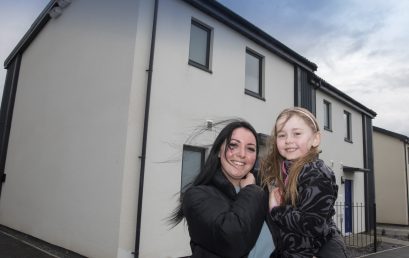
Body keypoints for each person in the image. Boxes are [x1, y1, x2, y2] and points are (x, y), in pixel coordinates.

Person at [171, 120, 274, 258]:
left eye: (250, 148)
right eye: (233, 145)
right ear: (219, 151)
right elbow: (233, 241)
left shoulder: (262, 192)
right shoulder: (196, 196)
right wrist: (250, 189)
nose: (242, 154)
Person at [260, 107, 348, 258]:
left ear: (315, 139)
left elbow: (312, 224)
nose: (288, 140)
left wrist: (276, 210)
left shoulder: (316, 172)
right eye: (282, 135)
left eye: (297, 133)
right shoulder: (285, 170)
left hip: (322, 251)